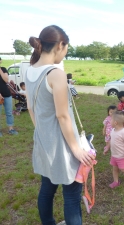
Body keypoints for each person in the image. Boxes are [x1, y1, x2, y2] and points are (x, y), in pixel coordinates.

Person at [26, 25, 95, 225]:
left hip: (43, 142)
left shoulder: (31, 70)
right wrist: (77, 150)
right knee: (72, 197)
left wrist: (42, 130)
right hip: (65, 146)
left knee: (46, 190)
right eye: (66, 49)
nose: (65, 53)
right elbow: (63, 116)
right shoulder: (56, 73)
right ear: (60, 45)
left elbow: (31, 107)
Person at [103, 110, 124, 188]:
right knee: (115, 169)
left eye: (111, 119)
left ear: (115, 122)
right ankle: (116, 181)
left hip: (122, 156)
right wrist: (107, 147)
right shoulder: (113, 130)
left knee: (123, 169)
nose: (110, 121)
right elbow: (111, 140)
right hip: (114, 155)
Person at [0, 57, 18, 136]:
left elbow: (6, 80)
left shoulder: (3, 69)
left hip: (7, 95)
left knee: (9, 113)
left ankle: (11, 129)